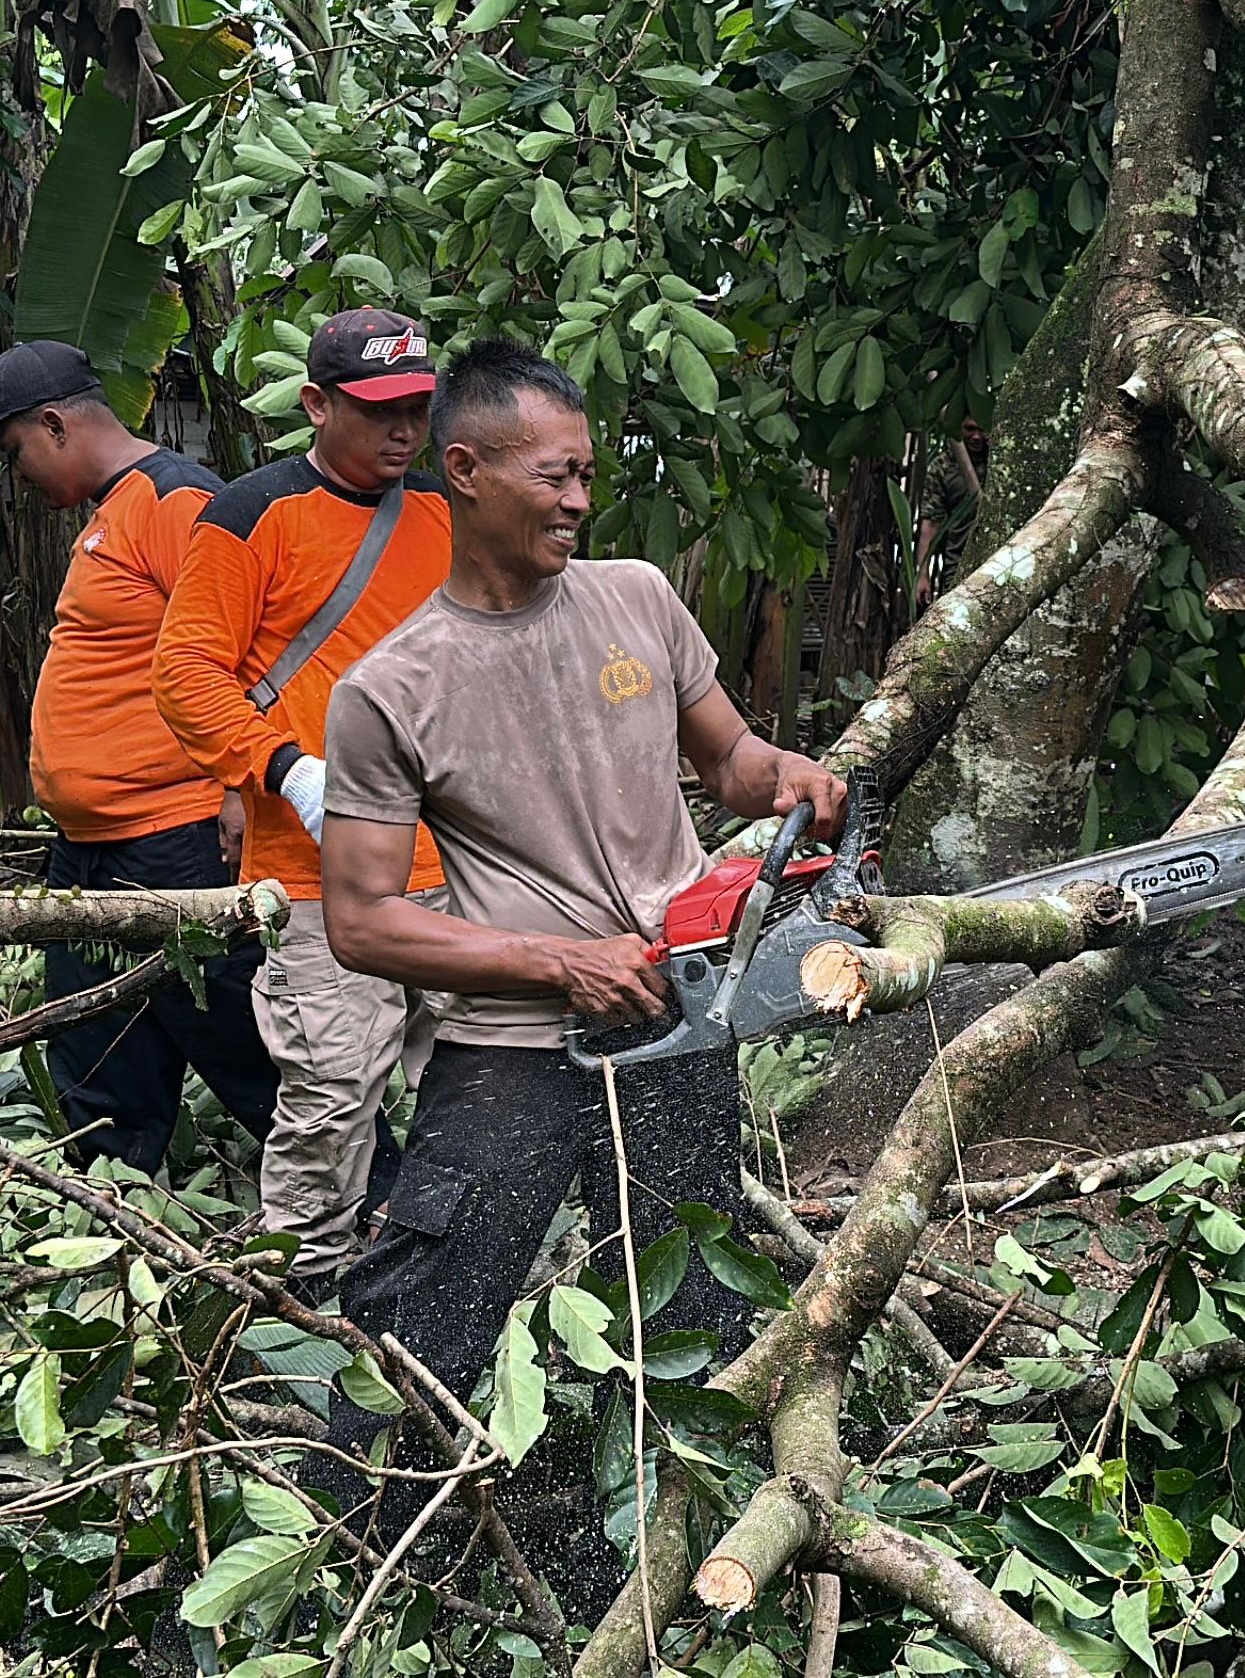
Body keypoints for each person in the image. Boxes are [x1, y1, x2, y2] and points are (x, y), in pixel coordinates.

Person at [310, 335, 846, 1525]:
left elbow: (733, 761)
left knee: (687, 1302)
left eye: (586, 475)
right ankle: (339, 1558)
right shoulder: (393, 689)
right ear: (464, 470)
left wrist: (789, 779)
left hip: (678, 1020)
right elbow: (360, 921)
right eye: (554, 476)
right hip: (514, 1051)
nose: (578, 501)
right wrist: (557, 961)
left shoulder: (635, 600)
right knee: (423, 1320)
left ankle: (654, 1543)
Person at [152, 309, 454, 1281]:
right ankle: (304, 1295)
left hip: (452, 865)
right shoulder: (250, 515)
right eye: (378, 413)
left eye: (415, 409)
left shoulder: (449, 512)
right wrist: (286, 770)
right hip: (317, 874)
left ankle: (473, 1273)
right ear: (317, 405)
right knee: (329, 1099)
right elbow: (186, 675)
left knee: (479, 1083)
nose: (402, 432)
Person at [0, 339, 276, 1174]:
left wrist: (243, 791)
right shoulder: (113, 512)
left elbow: (245, 653)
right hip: (93, 846)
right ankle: (117, 1209)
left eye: (13, 447)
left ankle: (362, 1197)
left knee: (237, 1033)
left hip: (173, 837)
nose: (14, 470)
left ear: (55, 424)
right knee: (95, 1039)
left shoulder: (177, 501)